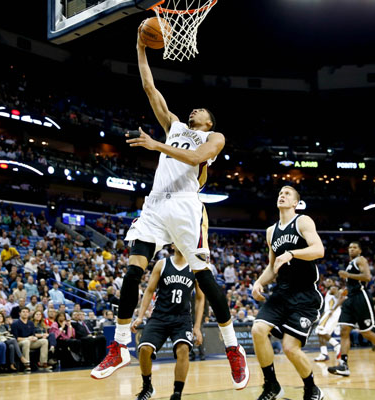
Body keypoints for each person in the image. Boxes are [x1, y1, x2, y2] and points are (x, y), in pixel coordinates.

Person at [90, 27, 248, 390]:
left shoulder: (213, 137)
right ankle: (119, 344)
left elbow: (195, 157)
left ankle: (232, 348)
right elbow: (149, 88)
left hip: (184, 206)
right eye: (194, 109)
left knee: (205, 278)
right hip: (156, 205)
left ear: (209, 122)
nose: (194, 110)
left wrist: (156, 146)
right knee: (132, 273)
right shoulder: (173, 124)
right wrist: (139, 47)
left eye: (201, 110)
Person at [251, 186, 325, 400]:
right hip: (281, 293)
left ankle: (312, 388)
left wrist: (292, 253)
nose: (282, 195)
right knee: (258, 329)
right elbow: (272, 267)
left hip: (304, 295)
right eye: (280, 193)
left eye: (287, 194)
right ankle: (271, 384)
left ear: (295, 203)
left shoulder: (302, 221)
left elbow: (318, 250)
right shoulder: (271, 231)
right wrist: (258, 282)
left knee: (290, 348)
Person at [131, 246, 205, 400]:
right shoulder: (162, 264)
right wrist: (140, 316)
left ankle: (177, 393)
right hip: (160, 315)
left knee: (183, 349)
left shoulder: (195, 266)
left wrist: (197, 327)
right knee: (144, 349)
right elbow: (149, 290)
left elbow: (200, 298)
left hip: (182, 318)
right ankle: (147, 386)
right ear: (172, 244)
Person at [328, 242, 375, 377]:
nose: (351, 249)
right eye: (349, 247)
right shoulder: (350, 265)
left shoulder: (361, 260)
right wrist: (343, 292)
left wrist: (347, 275)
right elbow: (351, 284)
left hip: (361, 298)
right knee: (344, 330)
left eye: (354, 247)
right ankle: (344, 365)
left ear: (360, 250)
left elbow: (367, 277)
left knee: (366, 333)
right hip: (350, 298)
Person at [314, 278, 342, 362]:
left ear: (333, 282)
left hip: (331, 312)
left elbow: (341, 298)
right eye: (326, 281)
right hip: (328, 312)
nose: (327, 282)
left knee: (320, 331)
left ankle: (336, 345)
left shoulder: (333, 288)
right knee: (321, 334)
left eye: (329, 281)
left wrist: (334, 309)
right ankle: (324, 354)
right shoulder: (330, 290)